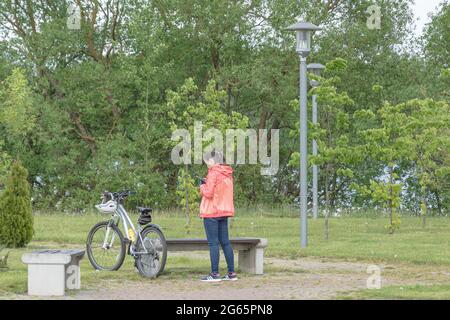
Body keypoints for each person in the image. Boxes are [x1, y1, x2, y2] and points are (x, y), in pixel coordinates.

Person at [199, 149, 237, 282]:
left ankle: (214, 274)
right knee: (225, 242)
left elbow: (208, 193)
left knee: (213, 243)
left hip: (211, 212)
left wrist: (202, 186)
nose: (207, 165)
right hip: (224, 211)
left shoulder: (213, 172)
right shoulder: (227, 173)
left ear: (212, 161)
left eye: (207, 162)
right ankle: (231, 273)